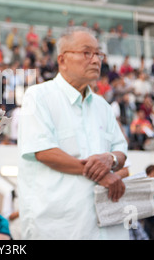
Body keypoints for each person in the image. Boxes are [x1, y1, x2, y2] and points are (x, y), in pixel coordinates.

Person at [17, 26, 128, 240]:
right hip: (59, 228)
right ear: (62, 59)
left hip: (107, 228)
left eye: (98, 54)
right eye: (87, 52)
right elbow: (44, 152)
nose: (96, 60)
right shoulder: (38, 96)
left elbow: (121, 153)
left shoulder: (102, 106)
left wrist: (111, 159)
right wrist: (102, 173)